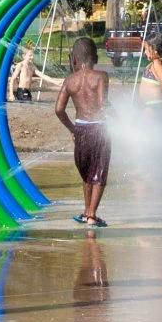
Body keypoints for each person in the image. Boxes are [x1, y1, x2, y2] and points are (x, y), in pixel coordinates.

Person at [55, 37, 111, 227]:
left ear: (75, 60)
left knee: (86, 173)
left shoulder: (70, 80)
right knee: (99, 173)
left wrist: (72, 128)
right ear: (95, 57)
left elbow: (58, 109)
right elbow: (103, 104)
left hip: (80, 130)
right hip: (99, 129)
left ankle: (87, 212)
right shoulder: (101, 76)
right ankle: (92, 216)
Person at [138, 34, 162, 121]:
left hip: (153, 106)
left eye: (146, 49)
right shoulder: (155, 63)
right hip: (150, 105)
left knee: (145, 131)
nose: (144, 52)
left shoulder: (157, 63)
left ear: (155, 50)